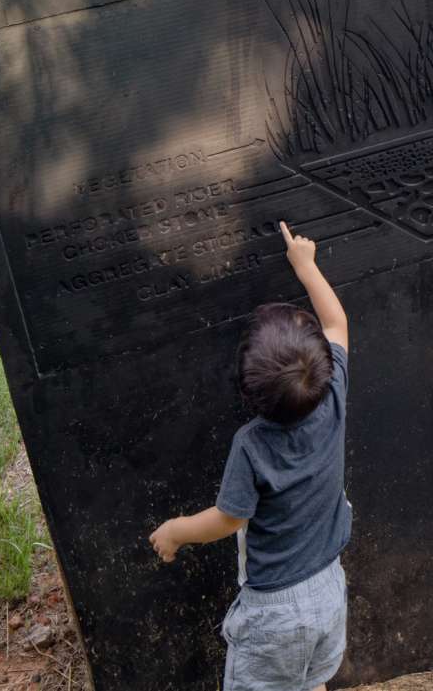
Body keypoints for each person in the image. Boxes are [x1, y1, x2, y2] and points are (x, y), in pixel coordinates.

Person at [149, 221, 351, 691]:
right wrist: (306, 266)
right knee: (311, 680)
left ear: (248, 391)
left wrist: (175, 531)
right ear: (321, 366)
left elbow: (227, 518)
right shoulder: (335, 394)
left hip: (275, 610)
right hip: (328, 587)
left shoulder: (252, 444)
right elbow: (337, 323)